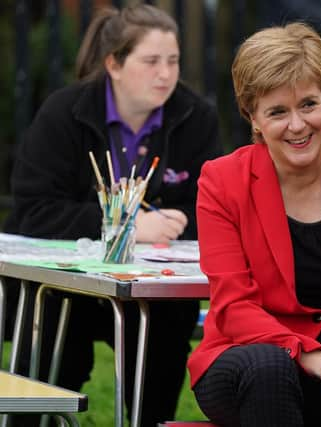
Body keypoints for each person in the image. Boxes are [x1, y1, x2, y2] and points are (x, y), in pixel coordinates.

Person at [3, 4, 220, 426]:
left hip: (156, 290)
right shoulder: (65, 113)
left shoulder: (196, 117)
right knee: (56, 342)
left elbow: (212, 206)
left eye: (173, 61)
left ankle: (149, 418)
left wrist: (176, 223)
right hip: (65, 286)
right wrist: (125, 227)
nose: (165, 74)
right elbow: (34, 209)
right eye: (151, 61)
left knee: (167, 331)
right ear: (114, 64)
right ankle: (39, 416)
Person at [188, 23, 321, 427]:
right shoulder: (221, 181)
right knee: (269, 367)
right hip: (249, 358)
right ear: (253, 117)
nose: (298, 125)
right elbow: (234, 307)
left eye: (308, 104)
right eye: (278, 112)